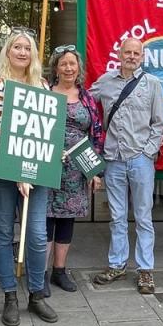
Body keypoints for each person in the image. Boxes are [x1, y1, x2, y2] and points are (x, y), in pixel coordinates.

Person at [0, 30, 58, 326]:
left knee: (37, 235)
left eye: (28, 48)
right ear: (7, 51)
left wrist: (49, 157)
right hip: (4, 166)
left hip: (37, 169)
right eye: (17, 46)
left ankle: (37, 295)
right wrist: (18, 170)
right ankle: (10, 295)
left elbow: (47, 127)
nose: (23, 52)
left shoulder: (40, 84)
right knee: (2, 234)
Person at [89, 38, 163, 293]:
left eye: (136, 53)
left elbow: (158, 123)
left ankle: (145, 270)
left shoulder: (153, 84)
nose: (132, 56)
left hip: (140, 159)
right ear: (119, 54)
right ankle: (117, 263)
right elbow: (84, 103)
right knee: (117, 216)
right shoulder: (105, 82)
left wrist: (147, 152)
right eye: (128, 52)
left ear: (142, 57)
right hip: (113, 159)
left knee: (143, 216)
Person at [46, 45, 104, 294]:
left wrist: (95, 171)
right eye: (63, 63)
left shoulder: (87, 98)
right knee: (45, 218)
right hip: (47, 163)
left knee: (67, 219)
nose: (69, 68)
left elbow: (97, 133)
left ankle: (60, 270)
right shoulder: (45, 93)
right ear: (56, 68)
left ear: (78, 68)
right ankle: (41, 273)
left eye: (73, 63)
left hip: (77, 168)